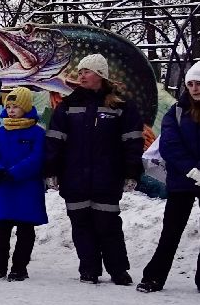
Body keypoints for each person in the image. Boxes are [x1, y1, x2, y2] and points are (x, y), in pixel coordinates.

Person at [44, 53, 144, 284]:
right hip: (74, 177)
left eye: (86, 72)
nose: (81, 76)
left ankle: (118, 269)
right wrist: (51, 170)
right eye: (79, 72)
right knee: (81, 225)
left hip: (107, 177)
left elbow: (132, 142)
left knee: (107, 224)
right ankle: (88, 268)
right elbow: (55, 140)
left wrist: (131, 172)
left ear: (100, 75)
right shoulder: (68, 105)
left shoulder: (121, 106)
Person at [136, 61, 200, 295]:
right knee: (171, 230)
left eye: (199, 83)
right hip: (182, 180)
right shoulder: (177, 110)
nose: (194, 88)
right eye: (190, 83)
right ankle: (154, 277)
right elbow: (169, 142)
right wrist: (190, 168)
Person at [0, 86, 47, 281]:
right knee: (0, 230)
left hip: (27, 188)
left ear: (26, 107)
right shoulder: (0, 132)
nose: (11, 110)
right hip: (5, 187)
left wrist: (15, 172)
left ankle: (20, 267)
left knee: (25, 230)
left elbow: (38, 158)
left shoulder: (37, 133)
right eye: (8, 106)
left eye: (15, 106)